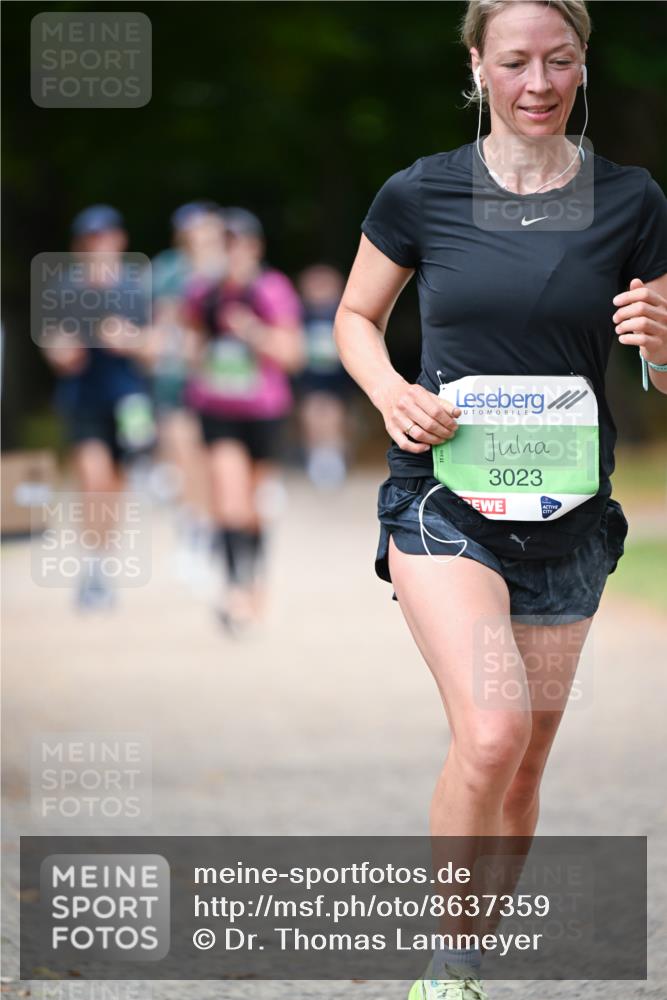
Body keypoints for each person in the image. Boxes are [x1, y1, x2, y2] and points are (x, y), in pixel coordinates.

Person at [334, 2, 667, 997]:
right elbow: (356, 315)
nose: (537, 83)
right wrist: (391, 391)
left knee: (522, 767)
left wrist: (662, 337)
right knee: (491, 730)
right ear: (476, 66)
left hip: (568, 517)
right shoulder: (422, 191)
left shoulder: (632, 199)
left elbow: (661, 366)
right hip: (444, 503)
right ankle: (445, 966)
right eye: (514, 61)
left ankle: (472, 952)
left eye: (557, 61)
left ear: (581, 68)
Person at [185, 207, 305, 632]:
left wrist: (252, 333)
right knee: (230, 499)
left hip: (265, 410)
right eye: (225, 245)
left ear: (255, 248)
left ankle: (255, 585)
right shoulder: (203, 293)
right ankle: (235, 592)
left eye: (239, 244)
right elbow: (194, 345)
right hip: (217, 409)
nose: (232, 253)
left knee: (254, 507)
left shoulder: (271, 290)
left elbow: (293, 355)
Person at [42, 204, 155, 609]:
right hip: (83, 399)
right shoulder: (64, 290)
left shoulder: (136, 288)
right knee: (93, 478)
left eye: (106, 239)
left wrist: (130, 341)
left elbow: (156, 349)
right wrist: (65, 352)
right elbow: (55, 347)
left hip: (127, 401)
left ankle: (102, 563)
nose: (99, 248)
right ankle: (92, 568)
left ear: (118, 242)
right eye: (92, 241)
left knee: (113, 488)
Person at [294, 264, 356, 489]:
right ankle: (315, 455)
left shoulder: (343, 315)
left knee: (334, 415)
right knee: (311, 414)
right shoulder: (300, 316)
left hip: (337, 381)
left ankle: (334, 455)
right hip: (310, 379)